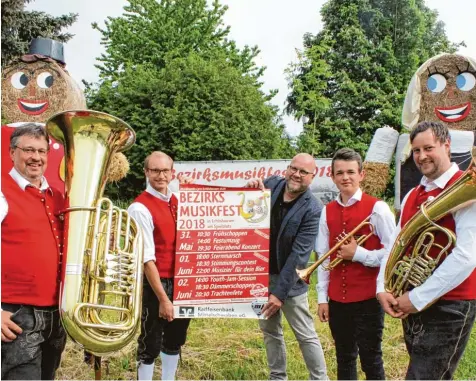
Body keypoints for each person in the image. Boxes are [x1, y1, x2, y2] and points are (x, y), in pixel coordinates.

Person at [377, 121, 476, 380]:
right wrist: (382, 287)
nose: (421, 156)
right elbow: (395, 243)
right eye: (416, 150)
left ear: (446, 145)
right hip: (411, 301)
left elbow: (468, 255)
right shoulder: (413, 195)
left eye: (428, 148)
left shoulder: (466, 187)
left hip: (450, 305)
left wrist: (418, 298)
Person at [245, 153, 328, 380]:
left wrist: (279, 294)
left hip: (289, 283)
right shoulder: (271, 184)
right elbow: (242, 213)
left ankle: (320, 378)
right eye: (294, 168)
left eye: (303, 172)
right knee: (270, 333)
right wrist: (248, 188)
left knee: (305, 334)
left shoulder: (314, 208)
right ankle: (277, 377)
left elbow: (299, 256)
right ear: (287, 168)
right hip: (260, 278)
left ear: (313, 176)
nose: (297, 175)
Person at [315, 148, 396, 380]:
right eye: (339, 173)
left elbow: (393, 254)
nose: (345, 177)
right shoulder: (326, 212)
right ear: (332, 176)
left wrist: (359, 254)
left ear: (362, 174)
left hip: (369, 300)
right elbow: (323, 257)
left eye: (351, 172)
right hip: (338, 301)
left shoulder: (378, 208)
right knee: (344, 359)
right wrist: (322, 299)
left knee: (371, 360)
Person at [1, 124, 66, 380]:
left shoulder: (58, 196)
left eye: (41, 151)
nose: (36, 157)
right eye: (28, 150)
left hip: (57, 315)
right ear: (11, 153)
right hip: (17, 315)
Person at [128, 151, 191, 381]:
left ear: (172, 173)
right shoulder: (139, 207)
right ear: (146, 172)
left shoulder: (178, 200)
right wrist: (164, 299)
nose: (160, 175)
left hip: (182, 280)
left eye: (165, 170)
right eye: (155, 170)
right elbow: (147, 259)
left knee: (175, 339)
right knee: (150, 341)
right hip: (156, 282)